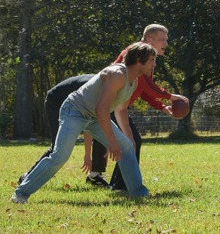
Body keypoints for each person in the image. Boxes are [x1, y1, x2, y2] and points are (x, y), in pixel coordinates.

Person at [11, 42, 155, 203]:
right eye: (151, 60)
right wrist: (112, 141)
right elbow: (102, 109)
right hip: (74, 112)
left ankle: (138, 193)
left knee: (127, 147)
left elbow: (119, 110)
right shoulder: (117, 75)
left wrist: (126, 139)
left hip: (93, 117)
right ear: (138, 59)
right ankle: (21, 193)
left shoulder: (133, 81)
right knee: (60, 155)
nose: (154, 64)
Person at [89, 24, 188, 191]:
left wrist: (163, 106)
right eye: (162, 39)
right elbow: (147, 85)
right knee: (130, 142)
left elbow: (142, 89)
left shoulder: (147, 58)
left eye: (166, 39)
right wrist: (170, 96)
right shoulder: (137, 54)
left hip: (118, 107)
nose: (166, 43)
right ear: (149, 40)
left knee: (130, 142)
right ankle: (119, 185)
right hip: (108, 106)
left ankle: (117, 184)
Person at [16, 74, 111, 187]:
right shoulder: (98, 88)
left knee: (101, 129)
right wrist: (87, 156)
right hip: (56, 101)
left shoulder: (108, 86)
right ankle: (27, 177)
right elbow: (88, 126)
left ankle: (95, 175)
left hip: (72, 103)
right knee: (58, 147)